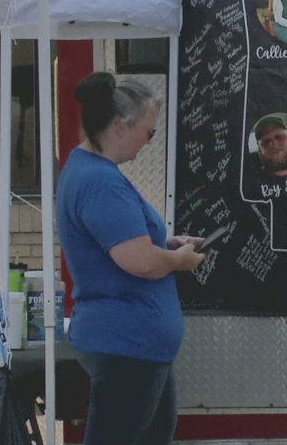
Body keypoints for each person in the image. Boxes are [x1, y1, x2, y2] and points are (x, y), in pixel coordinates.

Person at [57, 72, 208, 445]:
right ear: (121, 126)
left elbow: (124, 243)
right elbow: (139, 261)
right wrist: (179, 261)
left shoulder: (90, 172)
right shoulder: (100, 181)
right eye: (148, 132)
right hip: (127, 344)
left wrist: (166, 244)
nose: (148, 142)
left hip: (135, 345)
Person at [253, 112, 287, 178]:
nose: (272, 144)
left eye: (279, 137)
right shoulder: (252, 182)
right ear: (259, 149)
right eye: (266, 141)